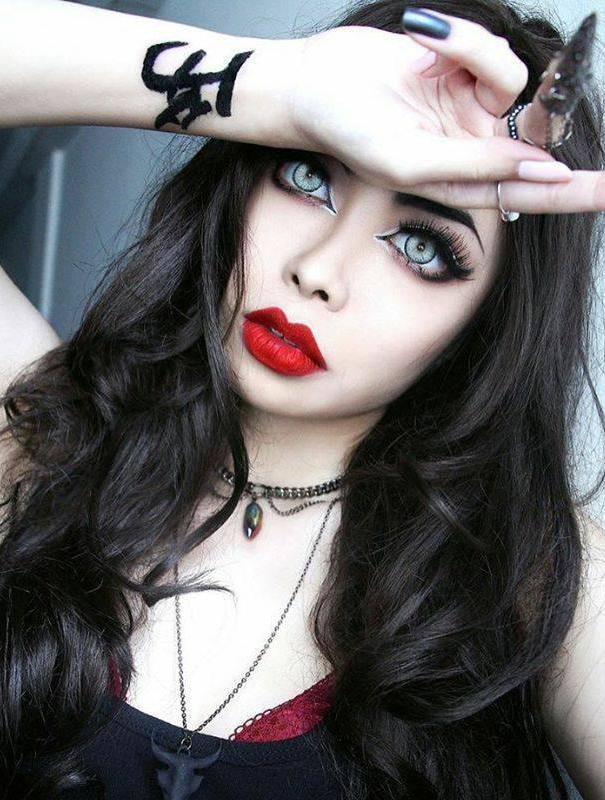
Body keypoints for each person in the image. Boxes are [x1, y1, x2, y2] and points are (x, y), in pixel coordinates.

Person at [0, 0, 604, 798]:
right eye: (307, 175)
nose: (318, 270)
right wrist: (280, 89)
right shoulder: (40, 437)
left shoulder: (534, 569)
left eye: (420, 245)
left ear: (490, 316)